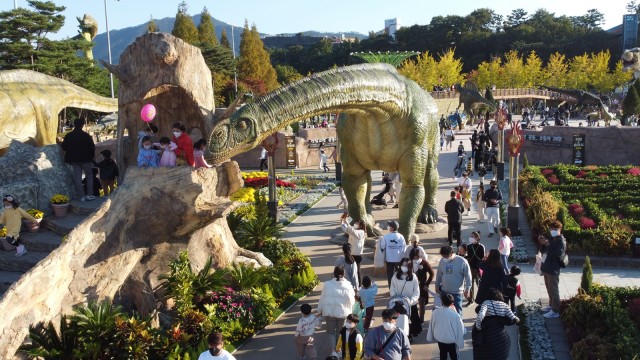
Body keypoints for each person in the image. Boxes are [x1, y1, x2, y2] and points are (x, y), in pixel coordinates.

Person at [472, 288, 519, 360]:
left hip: (486, 346)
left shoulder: (486, 303)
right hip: (503, 344)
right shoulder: (504, 305)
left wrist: (478, 327)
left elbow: (481, 315)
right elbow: (513, 317)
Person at [317, 266, 356, 350]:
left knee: (330, 332)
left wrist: (319, 310)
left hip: (329, 313)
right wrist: (352, 312)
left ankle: (332, 351)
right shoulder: (348, 285)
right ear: (344, 274)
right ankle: (338, 350)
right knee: (340, 332)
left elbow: (322, 298)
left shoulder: (327, 284)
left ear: (333, 274)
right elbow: (352, 301)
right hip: (343, 313)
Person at [61, 117, 96, 202]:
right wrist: (92, 157)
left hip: (74, 160)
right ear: (82, 125)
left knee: (77, 177)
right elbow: (92, 148)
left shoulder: (68, 135)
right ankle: (90, 195)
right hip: (86, 159)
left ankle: (82, 196)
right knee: (89, 176)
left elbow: (64, 147)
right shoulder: (86, 136)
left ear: (74, 125)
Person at [539, 220, 567, 319]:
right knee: (548, 288)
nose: (552, 231)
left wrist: (548, 245)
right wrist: (543, 243)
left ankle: (556, 310)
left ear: (559, 229)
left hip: (553, 268)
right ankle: (551, 305)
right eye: (551, 229)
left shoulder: (561, 241)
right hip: (547, 267)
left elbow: (557, 255)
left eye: (555, 229)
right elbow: (544, 251)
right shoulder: (552, 239)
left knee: (553, 290)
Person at [426, 293, 465, 360]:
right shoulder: (455, 315)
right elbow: (460, 328)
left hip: (440, 338)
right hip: (451, 340)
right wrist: (460, 342)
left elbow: (432, 325)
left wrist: (430, 336)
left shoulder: (435, 312)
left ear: (442, 301)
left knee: (442, 354)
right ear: (452, 303)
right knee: (453, 355)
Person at [435, 246, 472, 314]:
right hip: (444, 292)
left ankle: (459, 325)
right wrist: (437, 286)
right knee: (445, 313)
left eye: (446, 256)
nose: (444, 258)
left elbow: (468, 276)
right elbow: (439, 275)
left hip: (457, 293)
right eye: (443, 256)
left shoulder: (462, 261)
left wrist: (467, 289)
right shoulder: (442, 261)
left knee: (457, 313)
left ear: (451, 254)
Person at [389, 258, 420, 339]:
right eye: (403, 265)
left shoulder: (413, 276)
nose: (404, 267)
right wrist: (396, 299)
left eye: (406, 265)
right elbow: (392, 289)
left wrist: (410, 301)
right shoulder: (395, 275)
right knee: (399, 323)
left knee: (410, 323)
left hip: (410, 305)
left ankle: (409, 338)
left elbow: (416, 291)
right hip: (398, 304)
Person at [410, 247, 434, 326]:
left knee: (422, 303)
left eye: (417, 256)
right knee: (412, 303)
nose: (416, 258)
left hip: (422, 287)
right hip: (411, 287)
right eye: (414, 256)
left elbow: (432, 273)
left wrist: (427, 284)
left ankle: (421, 319)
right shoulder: (409, 263)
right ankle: (413, 318)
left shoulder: (424, 263)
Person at [380, 220, 406, 287]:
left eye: (389, 226)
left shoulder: (386, 236)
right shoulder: (401, 236)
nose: (388, 227)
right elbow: (404, 248)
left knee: (390, 275)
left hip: (389, 260)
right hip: (399, 259)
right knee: (400, 274)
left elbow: (382, 246)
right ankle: (400, 288)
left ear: (392, 228)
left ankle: (391, 290)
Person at [341, 212, 365, 284]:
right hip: (351, 253)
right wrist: (343, 220)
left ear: (360, 226)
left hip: (357, 255)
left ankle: (359, 285)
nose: (355, 224)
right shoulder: (353, 230)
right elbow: (344, 228)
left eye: (357, 223)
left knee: (357, 271)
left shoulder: (361, 232)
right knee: (350, 270)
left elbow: (353, 232)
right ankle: (352, 284)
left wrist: (347, 223)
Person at [466, 232, 485, 306]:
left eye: (472, 236)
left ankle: (482, 300)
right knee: (470, 285)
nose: (470, 237)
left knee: (479, 284)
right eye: (470, 236)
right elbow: (468, 256)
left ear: (477, 238)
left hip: (478, 269)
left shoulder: (481, 247)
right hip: (470, 267)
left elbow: (482, 259)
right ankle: (471, 300)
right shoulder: (468, 246)